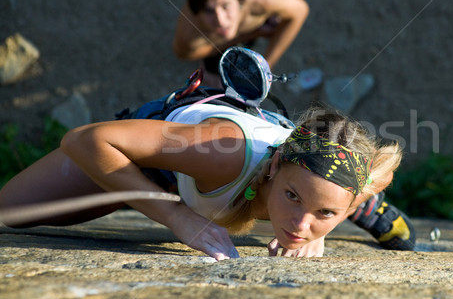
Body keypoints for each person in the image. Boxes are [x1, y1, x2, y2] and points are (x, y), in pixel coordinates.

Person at [0, 101, 404, 260]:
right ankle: (130, 187)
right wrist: (175, 216)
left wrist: (321, 231)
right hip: (164, 164)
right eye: (293, 196)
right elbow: (84, 139)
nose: (300, 225)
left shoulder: (321, 200)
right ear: (275, 166)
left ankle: (362, 206)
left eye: (325, 211)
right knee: (12, 210)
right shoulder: (224, 154)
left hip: (324, 179)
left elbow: (313, 207)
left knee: (325, 200)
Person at [172, 0, 309, 87]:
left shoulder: (261, 0)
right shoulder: (189, 34)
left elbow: (300, 10)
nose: (220, 20)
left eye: (225, 6)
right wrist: (253, 33)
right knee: (218, 76)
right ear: (197, 12)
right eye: (209, 10)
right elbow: (185, 53)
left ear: (239, 0)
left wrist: (266, 69)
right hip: (253, 28)